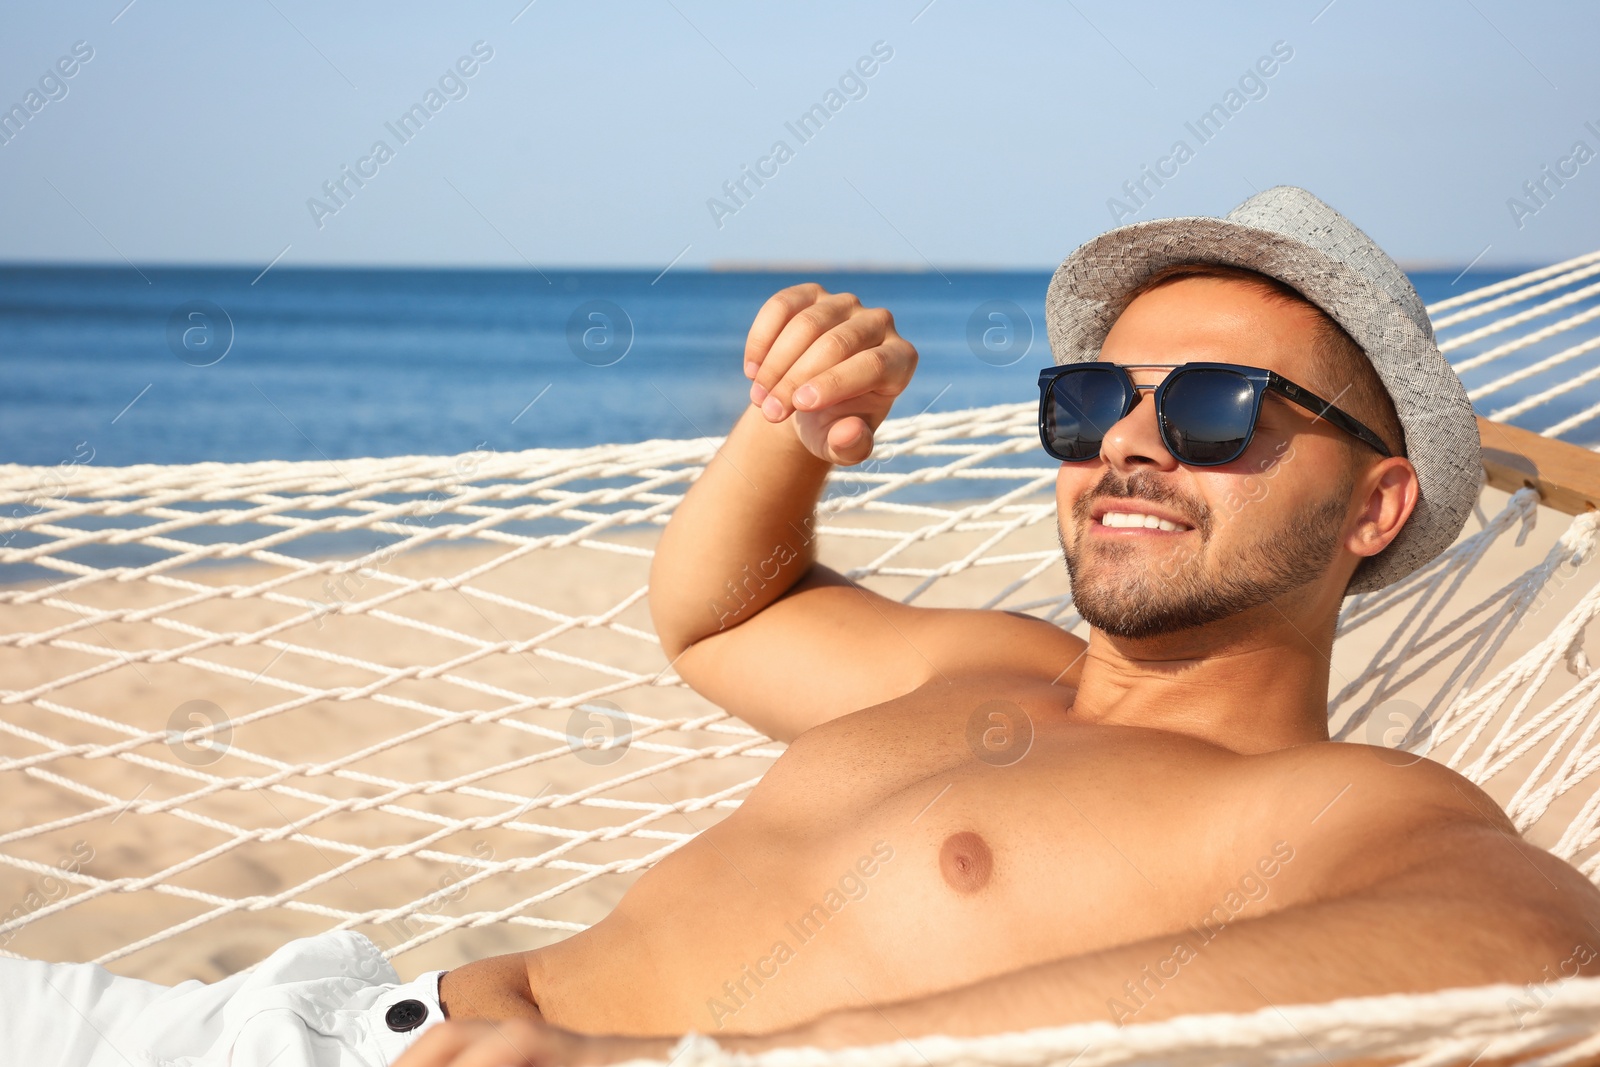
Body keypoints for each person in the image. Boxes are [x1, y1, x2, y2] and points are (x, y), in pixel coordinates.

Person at [9, 187, 1599, 1067]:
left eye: (1215, 404)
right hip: (310, 1019)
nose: (1131, 438)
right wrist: (792, 431)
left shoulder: (1349, 807)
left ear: (1376, 508)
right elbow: (722, 617)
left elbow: (1538, 952)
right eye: (1096, 395)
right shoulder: (993, 664)